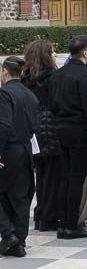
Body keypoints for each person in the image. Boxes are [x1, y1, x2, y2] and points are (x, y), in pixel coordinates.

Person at [49, 35, 87, 239]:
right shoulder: (85, 75)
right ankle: (71, 225)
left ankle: (64, 223)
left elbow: (52, 103)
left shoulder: (58, 74)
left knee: (66, 177)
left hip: (61, 128)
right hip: (80, 131)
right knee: (76, 179)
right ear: (84, 52)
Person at [0, 56, 37, 257]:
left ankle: (9, 234)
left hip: (8, 149)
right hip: (26, 148)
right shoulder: (29, 94)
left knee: (8, 194)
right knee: (20, 196)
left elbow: (4, 125)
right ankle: (18, 241)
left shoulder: (4, 94)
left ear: (5, 71)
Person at [23, 41, 62, 233]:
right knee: (52, 175)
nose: (55, 55)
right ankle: (48, 217)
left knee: (41, 174)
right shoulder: (53, 77)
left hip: (32, 128)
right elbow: (57, 103)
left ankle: (40, 213)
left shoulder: (25, 78)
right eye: (53, 52)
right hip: (50, 127)